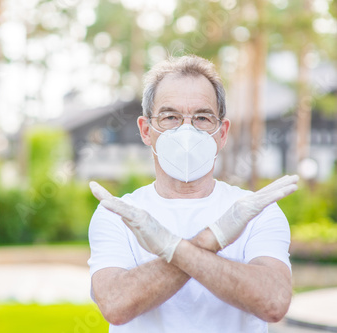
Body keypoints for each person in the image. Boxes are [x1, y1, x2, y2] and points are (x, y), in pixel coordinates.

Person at [87, 55, 299, 333]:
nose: (185, 130)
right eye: (170, 116)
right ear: (146, 130)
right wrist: (211, 240)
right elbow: (116, 305)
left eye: (202, 117)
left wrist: (172, 248)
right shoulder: (118, 215)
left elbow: (274, 302)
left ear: (222, 133)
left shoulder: (258, 210)